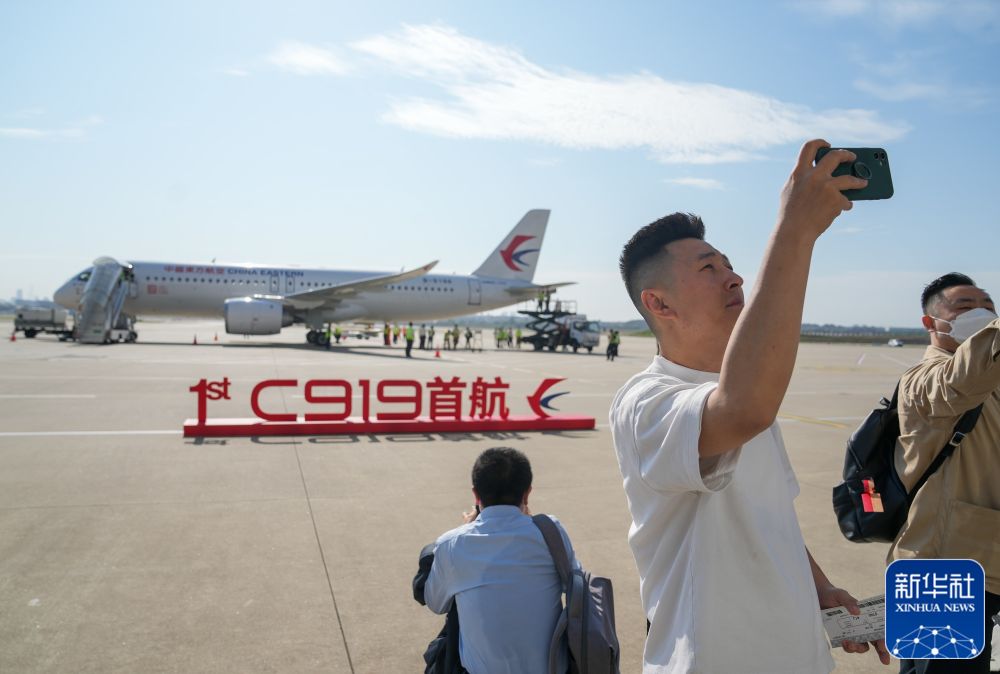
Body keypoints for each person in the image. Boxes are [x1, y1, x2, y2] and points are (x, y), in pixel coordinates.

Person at [610, 140, 888, 673]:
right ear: (658, 302)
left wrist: (820, 588)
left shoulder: (738, 391)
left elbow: (770, 513)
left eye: (730, 265)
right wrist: (795, 231)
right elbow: (742, 410)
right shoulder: (645, 402)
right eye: (708, 269)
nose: (733, 277)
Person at [892, 273, 1000, 674]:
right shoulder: (923, 381)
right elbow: (960, 381)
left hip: (990, 555)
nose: (983, 314)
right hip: (940, 572)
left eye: (988, 305)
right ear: (931, 323)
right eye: (965, 306)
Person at [414, 447, 579, 674]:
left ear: (476, 495)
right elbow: (575, 587)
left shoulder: (452, 543)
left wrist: (465, 529)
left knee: (457, 599)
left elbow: (436, 603)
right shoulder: (552, 532)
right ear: (527, 493)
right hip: (551, 669)